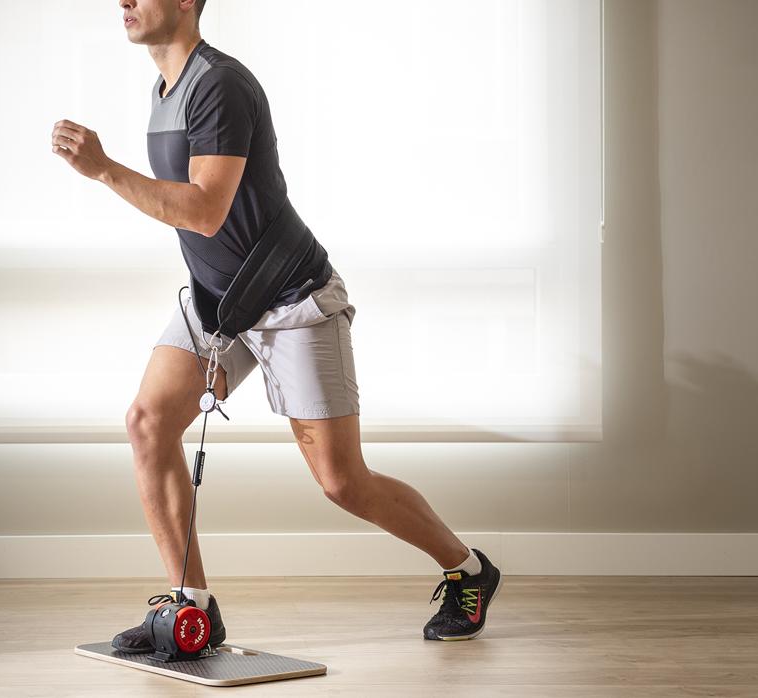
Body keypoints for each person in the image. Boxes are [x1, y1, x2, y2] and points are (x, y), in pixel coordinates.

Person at [50, 0, 501, 646]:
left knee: (342, 482)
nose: (123, 1)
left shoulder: (220, 85)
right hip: (219, 300)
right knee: (147, 423)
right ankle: (191, 609)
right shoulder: (165, 88)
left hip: (289, 296)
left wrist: (104, 170)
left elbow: (205, 211)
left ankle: (468, 570)